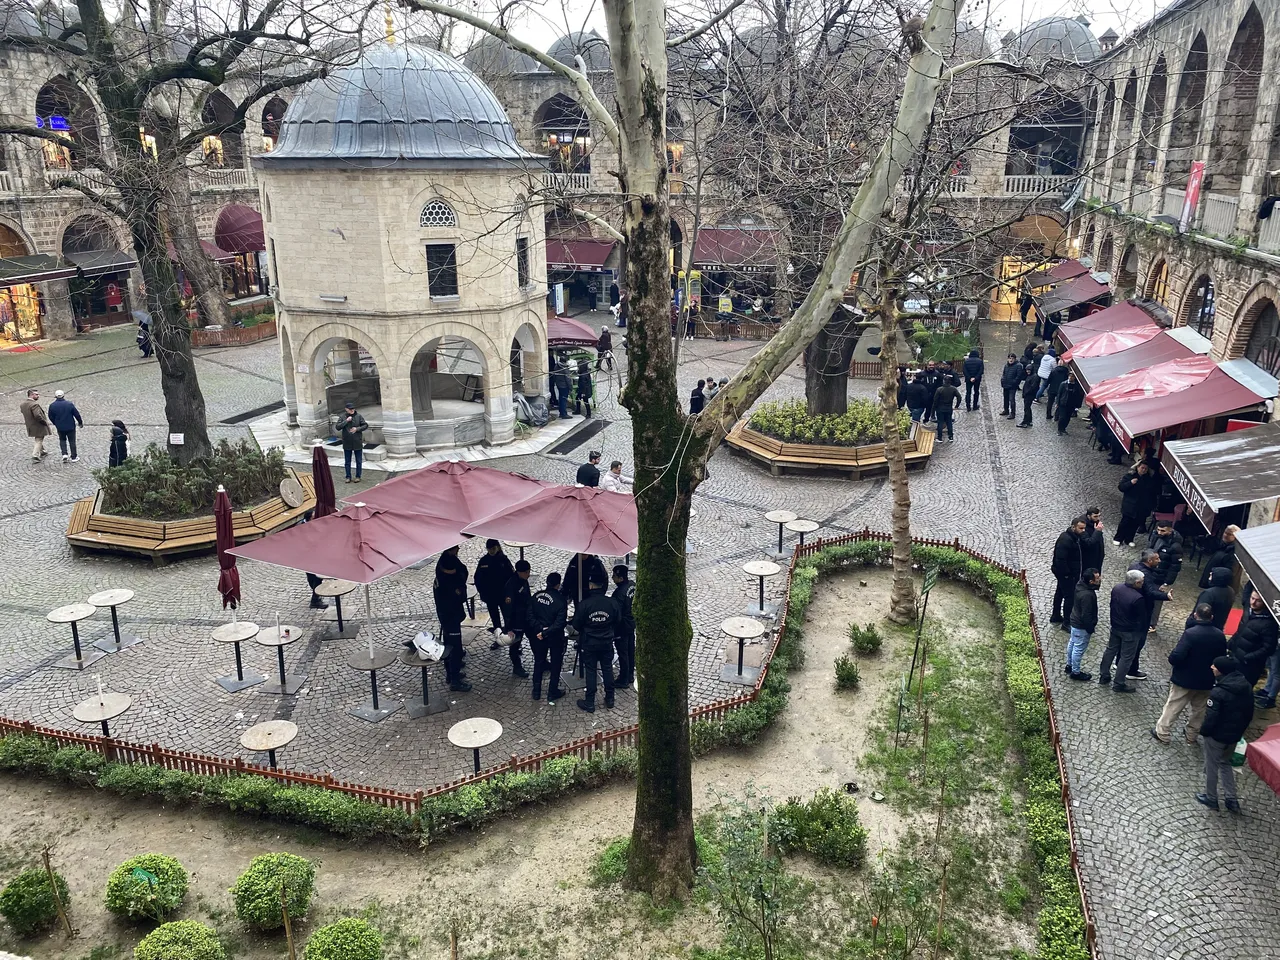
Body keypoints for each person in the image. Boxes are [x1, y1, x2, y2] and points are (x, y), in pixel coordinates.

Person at [1153, 603, 1226, 744]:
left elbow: (1177, 656)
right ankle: (1191, 735)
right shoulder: (1219, 636)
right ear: (1211, 617)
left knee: (1174, 706)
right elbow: (1221, 658)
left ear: (1195, 615)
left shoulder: (1190, 634)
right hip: (1206, 680)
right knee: (1200, 709)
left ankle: (1163, 733)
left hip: (1185, 678)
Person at [1197, 656, 1254, 813]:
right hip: (1234, 735)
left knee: (1211, 765)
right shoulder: (1246, 686)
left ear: (1221, 670)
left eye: (1214, 666)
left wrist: (1204, 732)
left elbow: (1211, 717)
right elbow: (1249, 712)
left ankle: (1211, 797)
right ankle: (1231, 799)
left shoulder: (1219, 692)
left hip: (1216, 735)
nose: (1211, 667)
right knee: (1225, 763)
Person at [573, 572, 620, 713]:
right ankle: (610, 698)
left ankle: (590, 702)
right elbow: (618, 621)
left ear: (591, 586)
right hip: (606, 642)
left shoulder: (584, 604)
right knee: (607, 669)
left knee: (591, 671)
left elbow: (576, 625)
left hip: (589, 643)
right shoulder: (612, 603)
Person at [1098, 568, 1149, 693]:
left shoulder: (1117, 588)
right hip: (1130, 631)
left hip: (1116, 626)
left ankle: (1104, 675)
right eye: (1142, 581)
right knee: (1126, 657)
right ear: (1136, 583)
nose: (1143, 583)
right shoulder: (1138, 598)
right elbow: (1142, 617)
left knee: (1110, 650)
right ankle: (1119, 683)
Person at [433, 546, 472, 692]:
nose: (459, 549)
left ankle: (450, 673)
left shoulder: (442, 565)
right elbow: (458, 593)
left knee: (449, 644)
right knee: (454, 648)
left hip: (446, 614)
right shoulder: (449, 583)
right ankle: (454, 680)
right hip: (450, 616)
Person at [527, 572, 568, 701]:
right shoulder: (560, 600)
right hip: (554, 637)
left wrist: (539, 630)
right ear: (558, 584)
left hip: (538, 636)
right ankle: (552, 691)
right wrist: (546, 632)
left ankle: (536, 691)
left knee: (539, 662)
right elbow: (560, 623)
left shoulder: (536, 596)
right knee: (556, 664)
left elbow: (529, 615)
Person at [1229, 590, 1278, 688]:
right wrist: (1231, 643)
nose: (1253, 602)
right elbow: (1240, 631)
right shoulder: (1248, 610)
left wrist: (1248, 657)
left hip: (1250, 665)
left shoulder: (1269, 624)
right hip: (1235, 656)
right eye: (1252, 598)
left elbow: (1269, 648)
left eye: (1258, 601)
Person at [474, 539, 515, 644]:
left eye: (493, 548)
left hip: (503, 595)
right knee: (495, 619)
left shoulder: (503, 560)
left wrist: (509, 594)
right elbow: (478, 579)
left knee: (508, 618)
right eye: (489, 549)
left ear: (497, 547)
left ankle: (512, 640)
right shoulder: (484, 561)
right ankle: (498, 639)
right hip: (490, 596)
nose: (491, 551)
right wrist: (482, 593)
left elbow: (512, 578)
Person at [1050, 517, 1087, 625]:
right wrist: (1067, 574)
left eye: (1084, 528)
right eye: (1081, 528)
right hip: (1066, 574)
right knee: (1069, 597)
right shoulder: (1066, 539)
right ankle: (1067, 622)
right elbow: (1060, 559)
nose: (1083, 531)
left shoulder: (1074, 537)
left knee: (1060, 593)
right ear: (1073, 527)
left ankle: (1056, 615)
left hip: (1067, 573)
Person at [1066, 568, 1101, 680]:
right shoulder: (1087, 595)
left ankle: (1069, 665)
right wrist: (1090, 628)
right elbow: (1086, 615)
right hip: (1081, 626)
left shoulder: (1080, 585)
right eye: (1097, 578)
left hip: (1075, 621)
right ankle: (1075, 672)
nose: (1100, 579)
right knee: (1079, 648)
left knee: (1072, 643)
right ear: (1091, 582)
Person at [1115, 461, 1159, 546]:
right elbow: (1121, 487)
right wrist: (1130, 483)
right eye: (1142, 468)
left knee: (1135, 524)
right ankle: (1118, 538)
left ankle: (1129, 539)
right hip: (1129, 505)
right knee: (1124, 523)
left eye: (1145, 469)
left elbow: (1152, 493)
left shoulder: (1149, 479)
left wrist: (1151, 506)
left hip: (1142, 506)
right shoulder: (1129, 476)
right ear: (1138, 467)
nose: (1143, 470)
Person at [501, 559, 533, 678]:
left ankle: (542, 661)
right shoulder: (511, 585)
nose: (528, 574)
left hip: (527, 618)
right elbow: (507, 609)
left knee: (535, 639)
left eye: (529, 571)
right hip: (517, 621)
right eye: (526, 572)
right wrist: (508, 627)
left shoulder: (523, 580)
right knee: (515, 645)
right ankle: (517, 667)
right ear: (519, 572)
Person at [611, 563, 636, 687]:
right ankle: (630, 674)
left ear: (620, 578)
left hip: (622, 627)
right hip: (631, 623)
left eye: (614, 576)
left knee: (623, 652)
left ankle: (624, 679)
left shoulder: (618, 594)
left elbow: (616, 613)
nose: (612, 578)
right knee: (631, 649)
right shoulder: (632, 585)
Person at [47, 389, 83, 463]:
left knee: (62, 440)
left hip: (60, 427)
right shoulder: (69, 404)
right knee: (72, 441)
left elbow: (50, 416)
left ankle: (64, 454)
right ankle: (74, 457)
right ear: (63, 395)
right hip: (70, 426)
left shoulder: (52, 406)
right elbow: (76, 414)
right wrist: (80, 422)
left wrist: (55, 423)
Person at [1195, 566, 1236, 631]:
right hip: (1218, 627)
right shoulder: (1231, 591)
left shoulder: (1209, 593)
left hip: (1203, 628)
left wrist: (1190, 623)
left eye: (1211, 576)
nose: (1209, 578)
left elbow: (1200, 612)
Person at [19, 388, 50, 464]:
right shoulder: (34, 404)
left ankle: (42, 451)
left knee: (38, 438)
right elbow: (37, 416)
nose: (38, 396)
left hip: (30, 425)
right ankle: (35, 455)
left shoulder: (23, 404)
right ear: (32, 395)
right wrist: (44, 422)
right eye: (36, 394)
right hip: (38, 425)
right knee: (39, 439)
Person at [338, 401, 367, 482]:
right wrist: (346, 421)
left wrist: (357, 429)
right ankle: (348, 476)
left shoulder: (358, 416)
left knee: (358, 461)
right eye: (350, 409)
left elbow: (365, 425)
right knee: (347, 461)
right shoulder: (342, 416)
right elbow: (338, 427)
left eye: (353, 408)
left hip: (357, 441)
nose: (352, 410)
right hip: (347, 441)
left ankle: (358, 476)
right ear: (346, 409)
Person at [932, 375, 961, 442]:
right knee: (949, 422)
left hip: (940, 408)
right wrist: (957, 405)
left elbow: (935, 400)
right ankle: (950, 437)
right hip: (949, 408)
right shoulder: (953, 389)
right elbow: (959, 397)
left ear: (944, 381)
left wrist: (933, 410)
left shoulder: (939, 389)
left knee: (940, 423)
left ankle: (939, 438)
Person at [1080, 507, 1105, 573]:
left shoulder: (1095, 522)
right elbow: (1088, 542)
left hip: (1097, 556)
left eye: (1099, 516)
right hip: (1088, 558)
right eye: (1095, 516)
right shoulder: (1082, 526)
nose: (1098, 518)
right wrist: (1097, 531)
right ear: (1088, 516)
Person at [1017, 363, 1039, 428]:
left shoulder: (1034, 377)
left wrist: (1026, 392)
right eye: (1027, 370)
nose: (1027, 371)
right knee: (1027, 408)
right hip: (1028, 394)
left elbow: (1033, 387)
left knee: (1026, 408)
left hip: (1029, 395)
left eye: (1029, 370)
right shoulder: (1031, 376)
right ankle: (1029, 421)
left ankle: (1025, 421)